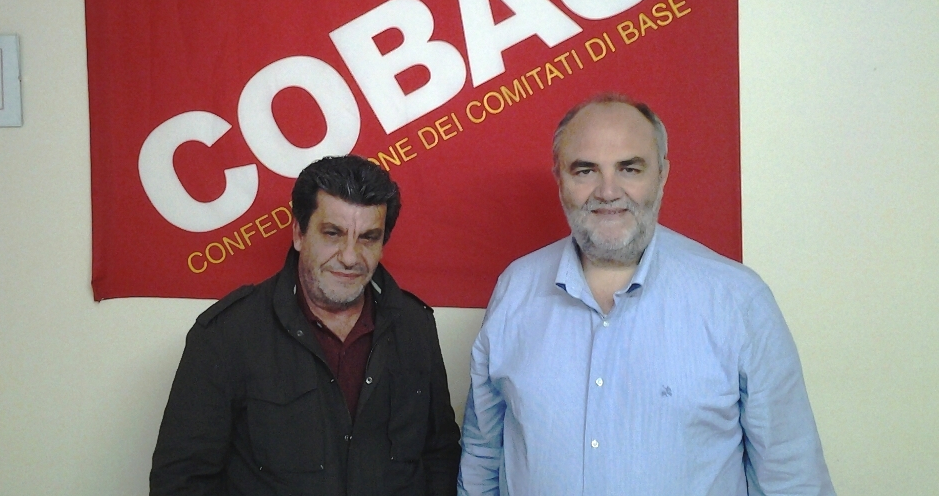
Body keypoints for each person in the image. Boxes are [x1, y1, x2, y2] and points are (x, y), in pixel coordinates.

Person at [457, 94, 834, 496]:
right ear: (560, 179)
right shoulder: (515, 290)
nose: (607, 191)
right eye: (585, 170)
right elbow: (482, 455)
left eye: (629, 168)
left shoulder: (737, 300)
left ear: (662, 174)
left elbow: (792, 477)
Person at [151, 155, 461, 496]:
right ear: (299, 233)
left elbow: (440, 456)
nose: (349, 257)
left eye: (368, 238)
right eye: (333, 233)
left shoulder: (415, 325)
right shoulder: (227, 335)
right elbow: (182, 480)